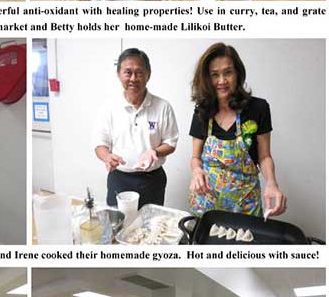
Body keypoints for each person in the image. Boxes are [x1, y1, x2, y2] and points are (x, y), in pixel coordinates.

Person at [189, 43, 286, 218]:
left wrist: (272, 183)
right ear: (206, 79)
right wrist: (196, 171)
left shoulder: (258, 108)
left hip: (245, 204)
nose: (222, 81)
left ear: (238, 73)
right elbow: (196, 158)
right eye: (214, 75)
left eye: (228, 72)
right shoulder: (202, 110)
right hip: (207, 204)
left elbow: (264, 157)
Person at [94, 48, 179, 208]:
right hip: (119, 178)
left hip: (152, 180)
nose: (133, 78)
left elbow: (171, 142)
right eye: (128, 72)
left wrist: (155, 152)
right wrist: (107, 157)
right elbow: (100, 144)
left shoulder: (163, 107)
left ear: (148, 74)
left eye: (139, 72)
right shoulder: (109, 108)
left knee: (152, 227)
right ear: (119, 74)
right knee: (117, 227)